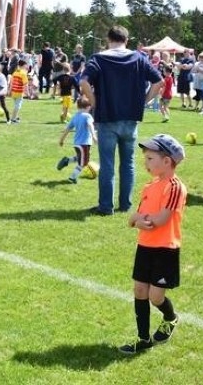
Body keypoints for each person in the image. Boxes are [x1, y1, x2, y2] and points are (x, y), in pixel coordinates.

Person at [80, 26, 163, 216]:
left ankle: (105, 206)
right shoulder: (139, 58)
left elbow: (83, 82)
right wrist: (143, 101)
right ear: (127, 39)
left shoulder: (99, 58)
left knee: (107, 164)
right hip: (130, 118)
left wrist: (94, 103)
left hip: (107, 118)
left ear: (108, 39)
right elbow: (159, 82)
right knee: (128, 163)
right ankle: (125, 204)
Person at [118, 133, 187, 354]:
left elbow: (160, 219)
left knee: (155, 296)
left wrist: (140, 220)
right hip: (145, 246)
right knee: (139, 290)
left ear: (166, 161)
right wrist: (138, 221)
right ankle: (143, 338)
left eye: (150, 158)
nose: (145, 162)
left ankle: (170, 318)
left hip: (165, 249)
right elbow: (132, 218)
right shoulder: (148, 187)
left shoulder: (175, 187)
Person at [57, 97, 97, 183]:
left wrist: (61, 140)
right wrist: (94, 136)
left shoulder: (75, 117)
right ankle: (72, 178)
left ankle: (67, 160)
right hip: (84, 144)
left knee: (80, 158)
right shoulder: (88, 116)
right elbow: (90, 125)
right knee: (83, 163)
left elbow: (67, 129)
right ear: (87, 107)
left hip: (76, 143)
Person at [9, 59, 28, 123]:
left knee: (16, 105)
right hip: (19, 92)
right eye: (26, 65)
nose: (26, 66)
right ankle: (13, 119)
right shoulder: (23, 73)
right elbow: (25, 84)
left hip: (14, 92)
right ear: (23, 65)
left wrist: (10, 90)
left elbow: (11, 82)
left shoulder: (15, 72)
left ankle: (16, 117)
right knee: (17, 106)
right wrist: (27, 92)